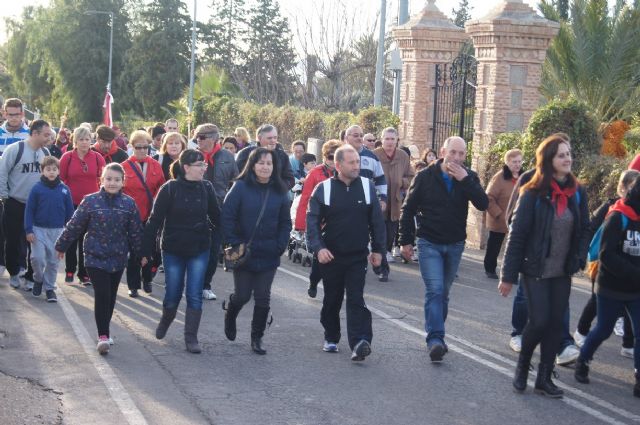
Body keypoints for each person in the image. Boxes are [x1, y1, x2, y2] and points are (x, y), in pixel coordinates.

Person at [499, 134, 590, 397]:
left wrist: (579, 257)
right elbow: (517, 235)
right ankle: (522, 366)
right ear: (548, 159)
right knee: (538, 321)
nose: (567, 159)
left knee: (554, 324)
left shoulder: (577, 191)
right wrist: (507, 275)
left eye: (569, 154)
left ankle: (543, 378)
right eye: (561, 155)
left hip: (562, 270)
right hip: (535, 268)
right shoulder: (533, 192)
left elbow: (584, 227)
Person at [399, 136, 488, 363]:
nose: (457, 158)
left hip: (456, 243)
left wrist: (465, 180)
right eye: (453, 152)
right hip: (429, 242)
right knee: (436, 290)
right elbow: (407, 209)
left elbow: (483, 203)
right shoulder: (425, 176)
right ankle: (435, 339)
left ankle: (436, 332)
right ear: (442, 151)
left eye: (461, 154)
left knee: (444, 294)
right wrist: (405, 241)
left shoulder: (468, 177)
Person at [306, 144, 385, 361]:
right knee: (332, 299)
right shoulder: (324, 189)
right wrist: (319, 248)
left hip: (357, 256)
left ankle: (360, 341)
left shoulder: (368, 187)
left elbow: (377, 222)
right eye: (352, 162)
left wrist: (379, 250)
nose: (356, 166)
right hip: (330, 256)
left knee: (356, 298)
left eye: (358, 162)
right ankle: (331, 335)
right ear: (338, 165)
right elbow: (312, 222)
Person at [55, 163, 143, 355]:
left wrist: (142, 254)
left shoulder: (129, 204)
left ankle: (106, 329)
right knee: (102, 294)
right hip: (94, 257)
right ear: (101, 180)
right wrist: (61, 245)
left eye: (117, 180)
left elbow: (136, 232)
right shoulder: (90, 202)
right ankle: (102, 335)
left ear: (122, 182)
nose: (112, 183)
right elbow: (74, 226)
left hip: (118, 257)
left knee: (111, 296)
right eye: (108, 179)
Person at [142, 150, 220, 353]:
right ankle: (166, 319)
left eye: (204, 164)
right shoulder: (170, 189)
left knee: (194, 293)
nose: (204, 168)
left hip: (199, 247)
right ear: (186, 167)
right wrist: (144, 250)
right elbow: (154, 221)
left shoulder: (207, 188)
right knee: (173, 292)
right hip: (173, 248)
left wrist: (228, 242)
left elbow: (217, 217)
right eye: (199, 165)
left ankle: (191, 338)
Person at [573, 175, 640, 398]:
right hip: (611, 285)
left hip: (636, 289)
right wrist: (634, 273)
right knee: (603, 328)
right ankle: (583, 360)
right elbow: (606, 255)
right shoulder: (618, 216)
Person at [221, 147, 291, 355]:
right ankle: (231, 313)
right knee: (242, 295)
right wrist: (235, 243)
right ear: (252, 165)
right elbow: (227, 216)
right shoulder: (240, 187)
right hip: (244, 253)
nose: (265, 167)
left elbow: (285, 223)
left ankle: (257, 337)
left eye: (269, 163)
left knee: (263, 297)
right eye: (261, 163)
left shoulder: (280, 191)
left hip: (269, 253)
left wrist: (280, 245)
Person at [0, 119, 52, 289]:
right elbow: (2, 172)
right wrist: (5, 196)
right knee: (13, 241)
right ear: (35, 133)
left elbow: (50, 178)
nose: (48, 137)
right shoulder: (16, 149)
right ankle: (14, 273)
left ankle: (31, 276)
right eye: (45, 134)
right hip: (15, 202)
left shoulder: (45, 153)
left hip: (37, 206)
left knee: (36, 243)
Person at [195, 123, 239, 300]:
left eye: (201, 137)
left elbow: (236, 182)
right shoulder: (193, 156)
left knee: (213, 252)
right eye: (196, 137)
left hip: (219, 211)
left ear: (213, 138)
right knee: (195, 250)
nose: (197, 140)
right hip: (195, 210)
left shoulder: (228, 157)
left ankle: (205, 285)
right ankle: (192, 283)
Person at [294, 140, 342, 298]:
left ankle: (333, 290)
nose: (332, 160)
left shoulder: (346, 174)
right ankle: (314, 282)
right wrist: (301, 224)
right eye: (329, 156)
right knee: (319, 258)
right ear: (324, 157)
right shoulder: (315, 173)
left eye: (336, 156)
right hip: (318, 224)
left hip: (338, 224)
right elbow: (305, 199)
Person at [60, 126, 106, 285]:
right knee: (72, 237)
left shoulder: (98, 157)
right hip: (71, 204)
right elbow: (61, 180)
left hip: (92, 205)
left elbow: (103, 180)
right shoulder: (67, 157)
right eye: (81, 139)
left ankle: (84, 273)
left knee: (87, 240)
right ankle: (70, 270)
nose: (85, 142)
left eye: (87, 139)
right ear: (75, 141)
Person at [122, 130, 166, 297]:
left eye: (145, 147)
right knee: (134, 251)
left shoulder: (155, 165)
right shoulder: (124, 166)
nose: (142, 150)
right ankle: (133, 285)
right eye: (138, 147)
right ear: (132, 147)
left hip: (151, 216)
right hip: (132, 217)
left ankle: (147, 280)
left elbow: (161, 188)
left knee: (149, 250)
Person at [24, 156, 74, 302]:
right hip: (38, 229)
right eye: (48, 169)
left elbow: (70, 213)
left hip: (57, 231)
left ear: (59, 171)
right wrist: (29, 230)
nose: (51, 172)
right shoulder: (36, 188)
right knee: (37, 258)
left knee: (53, 262)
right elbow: (29, 210)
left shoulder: (64, 189)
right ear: (42, 171)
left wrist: (68, 233)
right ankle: (38, 279)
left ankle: (50, 288)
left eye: (54, 169)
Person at [373, 127, 414, 281]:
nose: (390, 142)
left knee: (389, 236)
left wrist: (401, 182)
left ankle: (381, 260)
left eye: (392, 139)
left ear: (397, 140)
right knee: (379, 236)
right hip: (378, 202)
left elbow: (411, 176)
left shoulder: (403, 156)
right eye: (387, 139)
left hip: (395, 203)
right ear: (382, 140)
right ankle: (383, 269)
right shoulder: (374, 155)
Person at [483, 149, 523, 279]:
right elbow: (489, 197)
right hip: (500, 218)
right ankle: (490, 268)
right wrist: (499, 214)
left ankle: (511, 273)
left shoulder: (525, 177)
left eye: (519, 161)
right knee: (494, 245)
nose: (517, 164)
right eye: (514, 162)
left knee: (515, 247)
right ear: (507, 162)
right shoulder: (499, 177)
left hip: (518, 218)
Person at [236, 124, 295, 190]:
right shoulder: (245, 153)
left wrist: (278, 190)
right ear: (259, 138)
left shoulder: (282, 155)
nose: (273, 140)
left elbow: (290, 179)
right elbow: (238, 175)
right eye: (269, 138)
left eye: (275, 137)